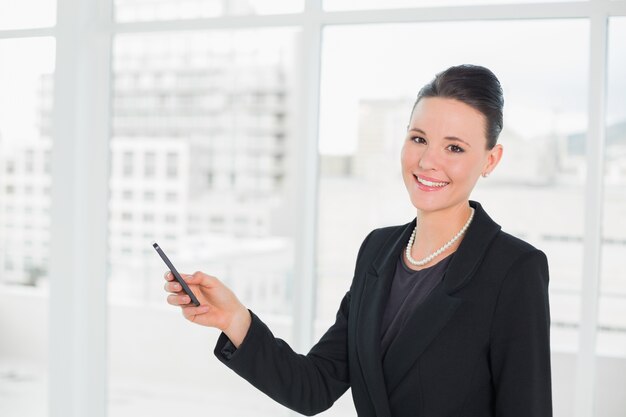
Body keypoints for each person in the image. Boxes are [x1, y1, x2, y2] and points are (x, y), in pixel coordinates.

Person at [163, 64, 552, 417]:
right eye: (418, 139)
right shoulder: (378, 251)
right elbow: (313, 387)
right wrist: (235, 319)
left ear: (490, 160)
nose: (427, 161)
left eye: (454, 147)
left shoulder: (513, 269)